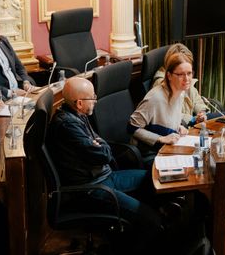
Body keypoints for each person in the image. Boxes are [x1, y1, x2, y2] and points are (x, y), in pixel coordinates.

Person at [46, 77, 164, 254]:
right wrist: (100, 145)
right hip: (93, 188)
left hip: (105, 177)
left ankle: (124, 238)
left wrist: (99, 143)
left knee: (153, 179)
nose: (95, 100)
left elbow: (100, 145)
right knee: (150, 221)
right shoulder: (67, 125)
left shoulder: (78, 115)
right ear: (79, 103)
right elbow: (102, 154)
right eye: (92, 97)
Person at [128, 51, 190, 159]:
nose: (187, 79)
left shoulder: (180, 92)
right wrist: (160, 138)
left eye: (189, 73)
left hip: (166, 147)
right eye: (180, 74)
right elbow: (131, 127)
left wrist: (178, 127)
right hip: (149, 152)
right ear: (169, 76)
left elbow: (165, 118)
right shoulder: (155, 98)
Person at [152, 43, 210, 127]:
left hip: (191, 122)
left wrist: (202, 113)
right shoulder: (162, 83)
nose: (186, 77)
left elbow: (197, 100)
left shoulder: (186, 78)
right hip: (178, 127)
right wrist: (193, 119)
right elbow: (168, 114)